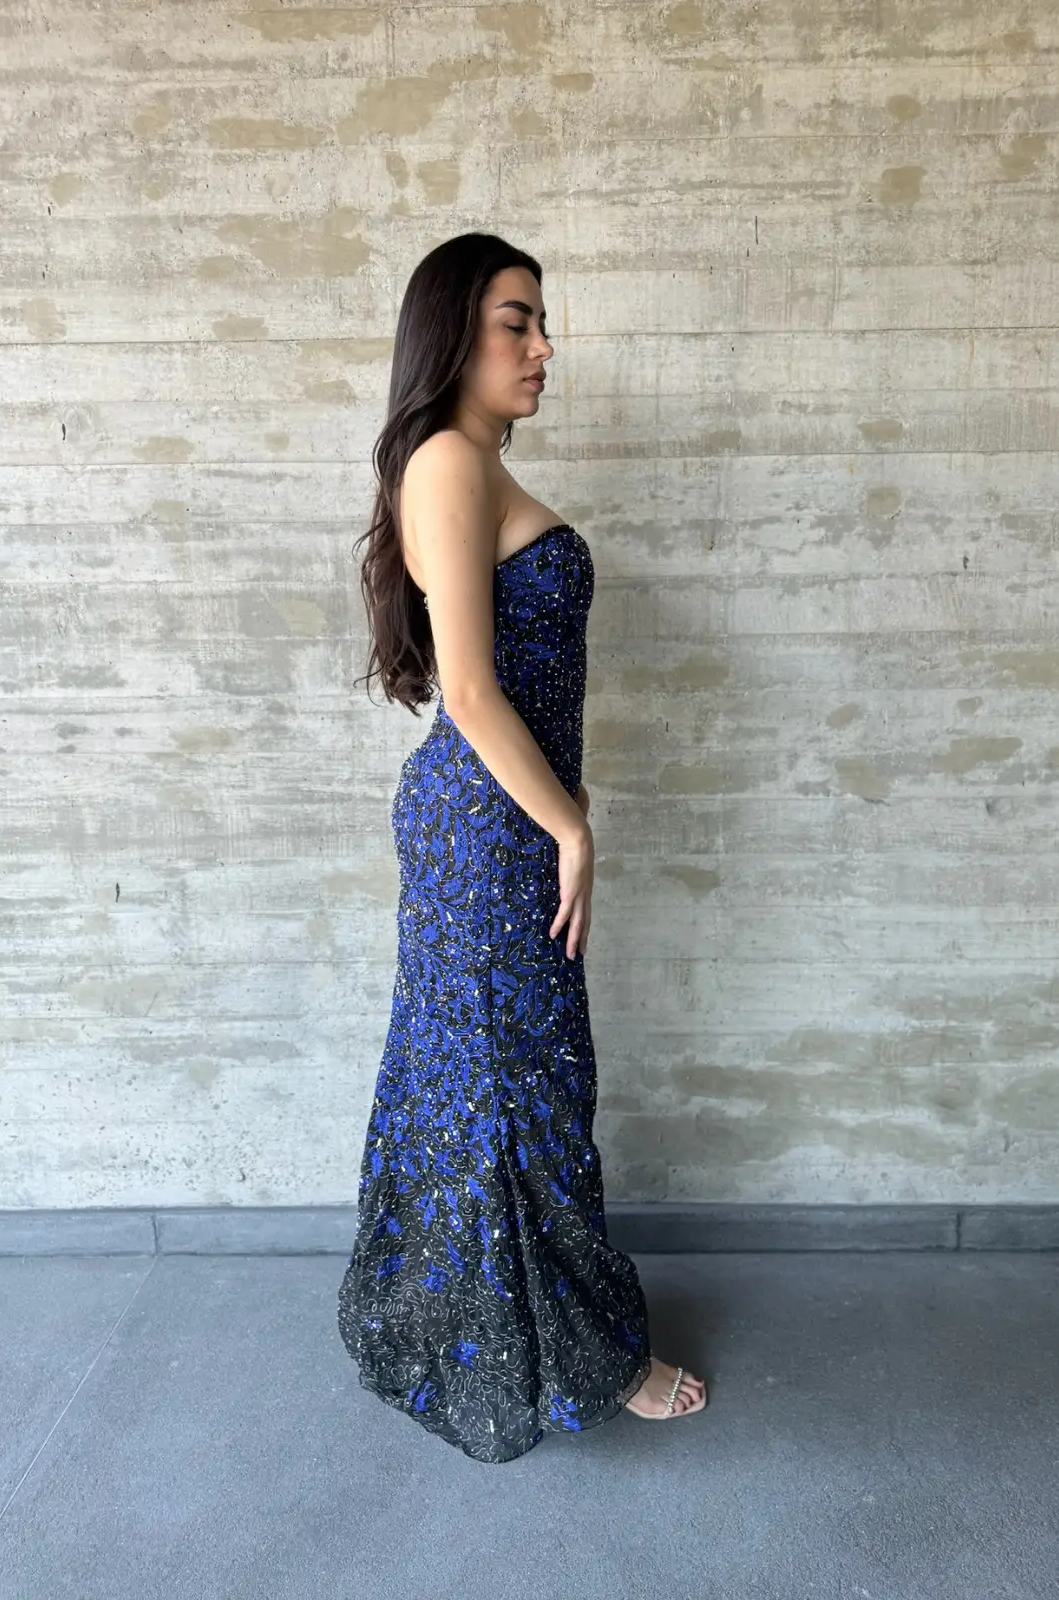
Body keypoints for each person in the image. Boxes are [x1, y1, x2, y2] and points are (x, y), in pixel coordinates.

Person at [336, 232, 707, 1462]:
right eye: (517, 321)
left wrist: (563, 809)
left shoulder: (475, 465)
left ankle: (502, 1331)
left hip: (502, 820)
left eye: (543, 323)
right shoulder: (447, 459)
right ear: (453, 332)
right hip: (488, 830)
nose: (544, 347)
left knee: (511, 1080)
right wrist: (572, 824)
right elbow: (470, 690)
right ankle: (591, 1359)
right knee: (516, 1087)